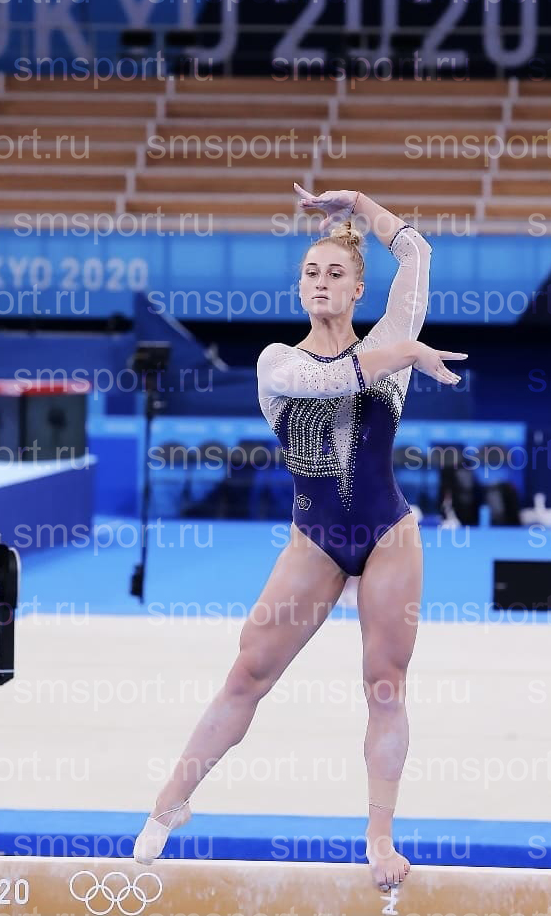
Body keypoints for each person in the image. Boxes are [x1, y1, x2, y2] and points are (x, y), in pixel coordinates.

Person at [133, 186, 467, 892]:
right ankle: (169, 801)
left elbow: (415, 251)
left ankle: (379, 837)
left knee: (384, 683)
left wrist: (362, 203)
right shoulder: (276, 362)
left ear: (357, 288)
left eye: (335, 273)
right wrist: (406, 349)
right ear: (298, 285)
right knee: (248, 672)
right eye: (311, 272)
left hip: (387, 533)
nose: (321, 282)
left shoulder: (386, 342)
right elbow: (329, 381)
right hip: (315, 538)